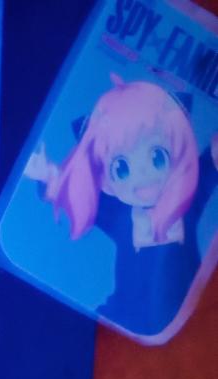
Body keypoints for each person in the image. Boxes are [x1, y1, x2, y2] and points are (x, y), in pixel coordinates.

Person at [24, 78, 218, 336]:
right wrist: (47, 173)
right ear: (106, 182)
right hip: (125, 316)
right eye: (122, 169)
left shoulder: (186, 195)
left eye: (157, 157)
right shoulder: (118, 213)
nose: (143, 177)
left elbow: (211, 161)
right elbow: (73, 191)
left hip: (181, 318)